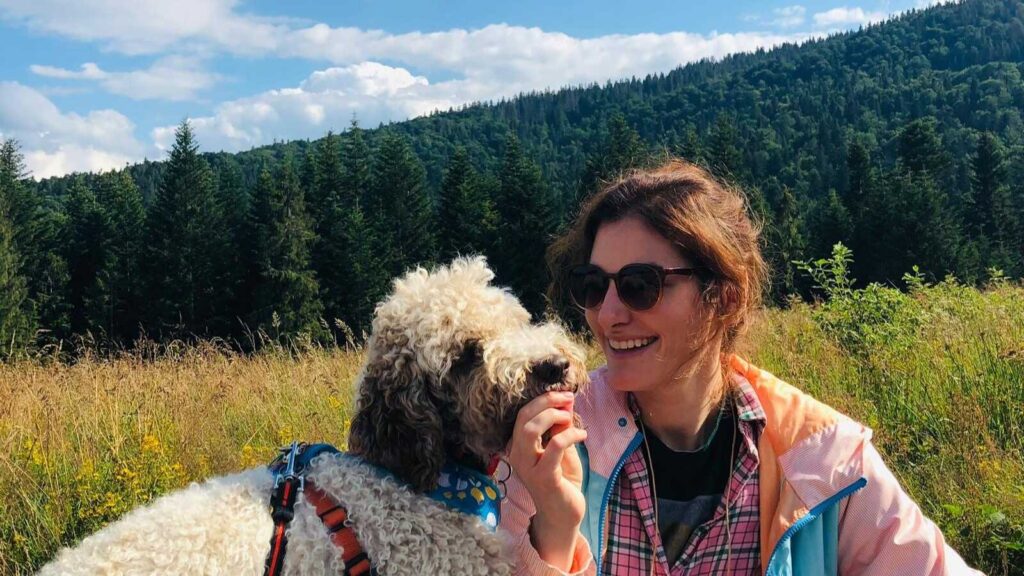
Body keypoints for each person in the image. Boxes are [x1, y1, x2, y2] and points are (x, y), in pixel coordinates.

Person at [500, 159, 982, 575]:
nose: (607, 314)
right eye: (593, 285)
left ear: (725, 298)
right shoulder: (548, 440)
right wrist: (555, 532)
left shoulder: (820, 461)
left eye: (639, 285)